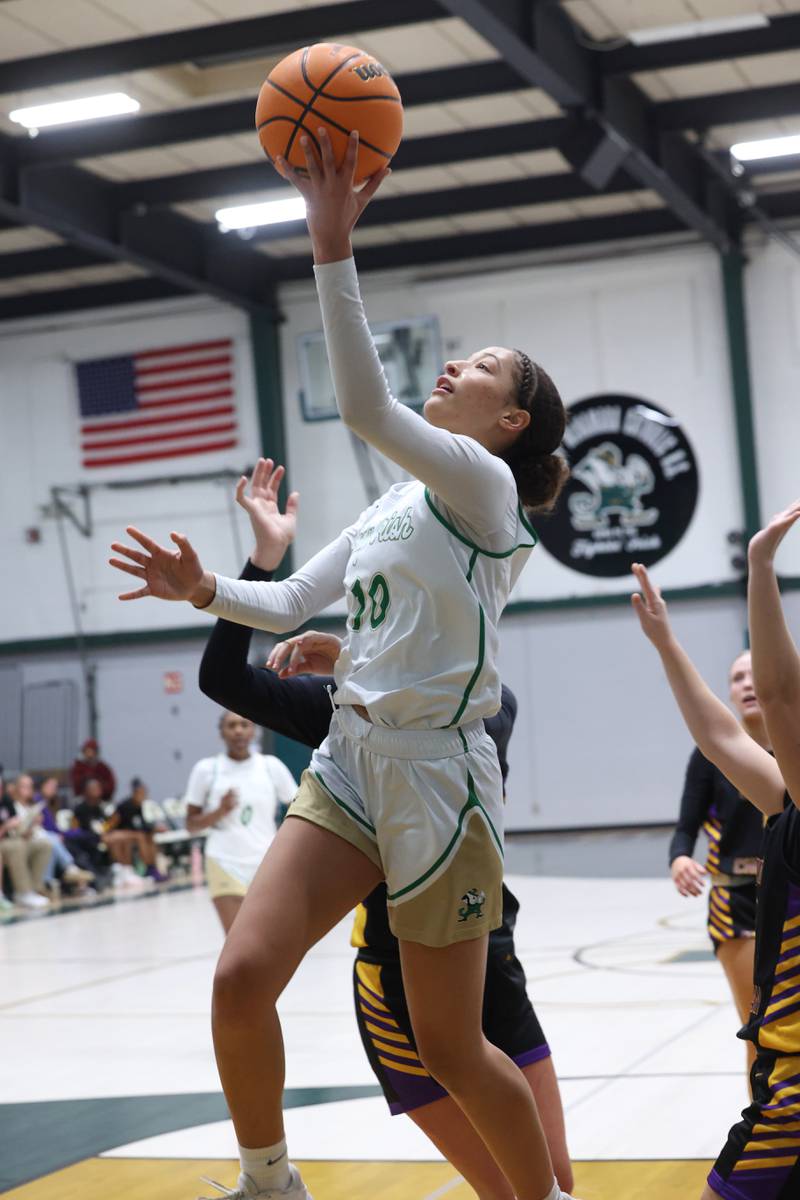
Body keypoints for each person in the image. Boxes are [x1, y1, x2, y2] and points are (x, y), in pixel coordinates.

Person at [110, 128, 572, 1200]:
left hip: (440, 782)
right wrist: (207, 588)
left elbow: (364, 405)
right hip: (354, 763)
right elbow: (283, 602)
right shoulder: (395, 503)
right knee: (239, 976)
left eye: (482, 368)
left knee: (451, 1048)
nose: (455, 364)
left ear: (505, 421)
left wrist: (329, 243)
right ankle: (268, 1180)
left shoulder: (486, 494)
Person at [196, 460, 573, 1197]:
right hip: (391, 976)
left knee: (548, 1174)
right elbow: (224, 678)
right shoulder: (341, 712)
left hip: (489, 957)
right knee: (240, 978)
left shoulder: (470, 701)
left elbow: (497, 713)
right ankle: (270, 1181)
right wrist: (261, 562)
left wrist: (358, 666)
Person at [629, 549, 799, 1200]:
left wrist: (760, 568)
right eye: (740, 676)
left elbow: (775, 699)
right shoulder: (780, 797)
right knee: (748, 1018)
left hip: (793, 1099)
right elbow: (716, 737)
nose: (758, 689)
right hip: (735, 905)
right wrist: (666, 641)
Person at [669, 650, 766, 1078]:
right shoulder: (711, 753)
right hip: (736, 900)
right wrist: (680, 859)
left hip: (792, 895)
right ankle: (769, 1137)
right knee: (760, 1027)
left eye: (754, 674)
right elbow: (685, 827)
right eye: (736, 677)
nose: (746, 683)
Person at [183, 712, 298, 934]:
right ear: (221, 733)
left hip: (267, 863)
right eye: (231, 725)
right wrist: (220, 811)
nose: (238, 730)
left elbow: (299, 807)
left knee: (269, 938)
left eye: (244, 724)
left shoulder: (270, 766)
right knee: (238, 941)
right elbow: (191, 825)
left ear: (253, 730)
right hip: (225, 862)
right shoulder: (207, 769)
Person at [0, 774, 51, 909]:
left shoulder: (6, 801)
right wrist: (5, 827)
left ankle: (33, 889)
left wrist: (30, 826)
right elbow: (7, 829)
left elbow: (18, 830)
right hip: (4, 843)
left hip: (15, 839)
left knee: (44, 845)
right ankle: (23, 892)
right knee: (16, 846)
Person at [104, 778, 168, 885]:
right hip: (117, 833)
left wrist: (154, 829)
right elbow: (111, 825)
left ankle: (152, 868)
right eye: (142, 792)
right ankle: (149, 867)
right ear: (136, 793)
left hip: (129, 833)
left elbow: (141, 824)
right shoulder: (125, 806)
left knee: (149, 835)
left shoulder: (138, 806)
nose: (144, 795)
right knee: (140, 836)